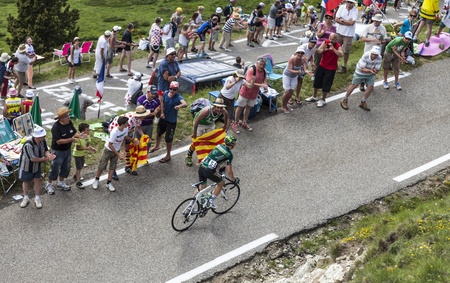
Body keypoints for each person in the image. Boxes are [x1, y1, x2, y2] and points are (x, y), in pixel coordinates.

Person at [45, 107, 85, 195]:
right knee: (55, 167)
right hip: (58, 151)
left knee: (66, 167)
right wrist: (71, 139)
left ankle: (61, 182)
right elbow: (58, 141)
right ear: (61, 118)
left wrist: (79, 136)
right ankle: (49, 184)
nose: (69, 117)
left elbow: (74, 133)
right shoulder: (56, 127)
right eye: (67, 116)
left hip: (67, 150)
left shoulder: (69, 123)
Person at [93, 116, 138, 192]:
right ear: (122, 124)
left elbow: (124, 138)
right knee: (102, 165)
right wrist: (118, 154)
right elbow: (110, 144)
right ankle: (96, 179)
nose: (128, 124)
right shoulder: (114, 132)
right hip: (108, 150)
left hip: (116, 150)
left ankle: (109, 183)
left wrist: (124, 149)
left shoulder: (125, 129)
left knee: (112, 167)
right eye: (126, 123)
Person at [197, 135, 239, 209]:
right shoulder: (229, 154)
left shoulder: (219, 146)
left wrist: (218, 168)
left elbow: (215, 158)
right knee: (221, 183)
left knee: (202, 187)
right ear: (232, 144)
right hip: (209, 170)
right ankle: (211, 201)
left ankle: (194, 202)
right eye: (234, 143)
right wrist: (234, 180)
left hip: (202, 167)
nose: (235, 144)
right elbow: (229, 171)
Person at [18, 126, 56, 209]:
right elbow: (33, 159)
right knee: (26, 181)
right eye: (42, 136)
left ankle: (37, 198)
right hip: (27, 166)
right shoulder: (28, 144)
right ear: (37, 137)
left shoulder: (43, 141)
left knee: (37, 180)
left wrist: (48, 155)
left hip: (37, 165)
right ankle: (25, 197)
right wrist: (46, 159)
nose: (44, 137)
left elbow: (46, 150)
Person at [150, 81, 187, 163]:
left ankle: (168, 154)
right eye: (171, 88)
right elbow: (162, 102)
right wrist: (162, 113)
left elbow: (185, 104)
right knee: (159, 132)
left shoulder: (178, 97)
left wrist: (179, 106)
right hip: (163, 118)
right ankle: (157, 146)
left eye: (174, 89)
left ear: (177, 90)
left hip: (171, 121)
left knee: (168, 138)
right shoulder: (165, 93)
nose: (172, 90)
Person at [185, 98, 228, 166]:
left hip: (210, 124)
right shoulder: (207, 110)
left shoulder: (223, 110)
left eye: (221, 107)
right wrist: (195, 133)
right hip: (200, 124)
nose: (219, 109)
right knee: (197, 141)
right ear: (214, 106)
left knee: (211, 139)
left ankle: (208, 156)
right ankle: (189, 155)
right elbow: (196, 121)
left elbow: (226, 116)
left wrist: (225, 126)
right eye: (218, 107)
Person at [305, 33, 344, 107]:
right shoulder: (325, 42)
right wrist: (324, 49)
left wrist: (333, 49)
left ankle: (323, 99)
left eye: (333, 39)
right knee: (317, 81)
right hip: (322, 65)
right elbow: (318, 51)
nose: (331, 41)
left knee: (326, 84)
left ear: (336, 40)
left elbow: (341, 54)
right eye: (330, 38)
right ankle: (314, 96)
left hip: (331, 68)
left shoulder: (338, 46)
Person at [340, 46, 382, 111]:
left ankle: (363, 101)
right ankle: (344, 99)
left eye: (376, 55)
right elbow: (362, 69)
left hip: (370, 73)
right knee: (354, 85)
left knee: (370, 87)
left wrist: (375, 71)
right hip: (360, 72)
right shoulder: (366, 55)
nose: (374, 56)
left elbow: (377, 69)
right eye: (373, 54)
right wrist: (370, 71)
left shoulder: (379, 58)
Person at [232, 57, 268, 134]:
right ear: (257, 63)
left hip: (254, 93)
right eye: (260, 64)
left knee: (248, 108)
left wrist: (265, 86)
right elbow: (248, 82)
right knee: (240, 107)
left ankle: (244, 122)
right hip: (245, 92)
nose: (262, 66)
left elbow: (264, 81)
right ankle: (235, 123)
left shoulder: (264, 72)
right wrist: (261, 85)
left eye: (263, 65)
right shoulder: (252, 70)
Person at [108, 106, 147, 175]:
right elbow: (123, 135)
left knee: (128, 149)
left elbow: (138, 126)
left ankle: (128, 166)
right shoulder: (129, 121)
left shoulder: (139, 118)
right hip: (116, 131)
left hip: (126, 131)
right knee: (116, 150)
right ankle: (113, 170)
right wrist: (132, 141)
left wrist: (143, 135)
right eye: (143, 115)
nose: (145, 116)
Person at [359, 13, 387, 91]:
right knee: (364, 66)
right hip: (368, 50)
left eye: (377, 21)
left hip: (377, 51)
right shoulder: (368, 27)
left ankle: (369, 83)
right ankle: (362, 83)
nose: (375, 22)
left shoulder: (383, 29)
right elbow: (363, 39)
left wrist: (381, 42)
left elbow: (385, 40)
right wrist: (372, 40)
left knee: (374, 67)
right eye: (374, 20)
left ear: (380, 22)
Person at [281, 47, 312, 113]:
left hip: (294, 76)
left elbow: (305, 68)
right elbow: (291, 70)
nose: (300, 54)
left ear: (303, 54)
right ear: (296, 53)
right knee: (287, 91)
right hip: (287, 75)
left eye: (302, 53)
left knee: (291, 91)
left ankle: (285, 105)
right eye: (299, 53)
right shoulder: (292, 59)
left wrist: (307, 71)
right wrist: (298, 72)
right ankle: (283, 106)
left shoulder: (303, 60)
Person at [335, 0, 359, 73]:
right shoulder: (342, 7)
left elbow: (352, 23)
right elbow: (336, 19)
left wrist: (342, 20)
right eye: (348, 2)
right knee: (336, 48)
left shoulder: (355, 10)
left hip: (349, 34)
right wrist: (346, 21)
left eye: (351, 2)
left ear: (353, 4)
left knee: (346, 50)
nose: (349, 4)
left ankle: (344, 65)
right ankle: (335, 64)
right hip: (339, 31)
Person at [291, 37, 317, 105]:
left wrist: (312, 62)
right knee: (293, 81)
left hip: (304, 65)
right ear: (309, 42)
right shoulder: (302, 47)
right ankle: (290, 97)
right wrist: (303, 59)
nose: (313, 44)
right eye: (312, 42)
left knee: (300, 80)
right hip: (296, 64)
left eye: (314, 43)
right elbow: (295, 54)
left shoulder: (314, 48)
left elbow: (311, 56)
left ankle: (297, 97)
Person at [135, 85, 161, 151]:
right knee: (137, 141)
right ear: (148, 92)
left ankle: (145, 157)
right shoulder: (140, 100)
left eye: (155, 93)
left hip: (149, 124)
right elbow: (140, 115)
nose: (153, 95)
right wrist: (153, 113)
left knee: (148, 142)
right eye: (152, 93)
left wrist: (158, 112)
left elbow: (158, 114)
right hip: (140, 124)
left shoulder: (156, 100)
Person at [72, 123, 97, 189]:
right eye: (87, 130)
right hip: (77, 154)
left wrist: (92, 149)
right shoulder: (79, 138)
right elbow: (78, 148)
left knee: (81, 165)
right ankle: (78, 182)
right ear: (83, 131)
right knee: (79, 168)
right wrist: (86, 148)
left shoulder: (87, 137)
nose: (89, 131)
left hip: (82, 154)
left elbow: (87, 145)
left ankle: (75, 175)